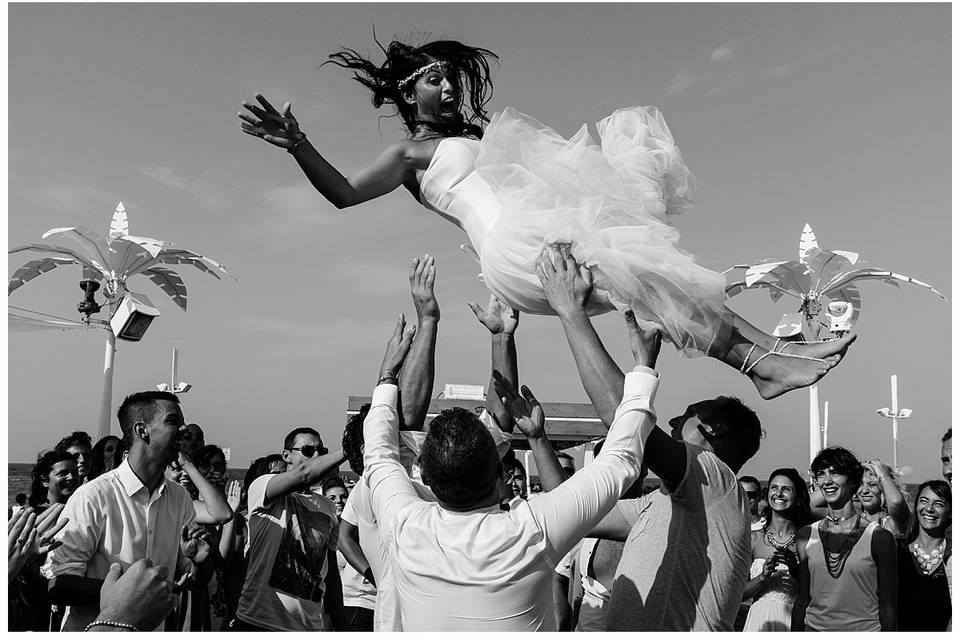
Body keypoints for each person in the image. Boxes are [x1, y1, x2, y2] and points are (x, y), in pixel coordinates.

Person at [240, 37, 855, 400]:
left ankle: (767, 357)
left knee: (653, 275)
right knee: (647, 272)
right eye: (432, 79)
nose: (449, 85)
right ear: (407, 94)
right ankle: (764, 362)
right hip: (515, 246)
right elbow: (345, 193)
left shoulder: (479, 137)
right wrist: (298, 144)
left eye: (450, 76)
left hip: (542, 225)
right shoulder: (410, 154)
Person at [361, 295, 662, 630]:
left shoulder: (403, 524)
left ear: (424, 476)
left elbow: (378, 450)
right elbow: (621, 460)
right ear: (500, 470)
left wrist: (387, 373)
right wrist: (643, 367)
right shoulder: (531, 528)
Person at [526, 246, 756, 631]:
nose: (672, 419)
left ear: (712, 430)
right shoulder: (661, 502)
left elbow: (625, 421)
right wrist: (536, 439)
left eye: (686, 416)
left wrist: (572, 312)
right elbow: (569, 502)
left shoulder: (716, 482)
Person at [42, 390, 213, 631]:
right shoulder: (93, 496)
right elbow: (58, 585)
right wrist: (129, 592)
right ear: (142, 430)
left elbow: (194, 578)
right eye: (173, 421)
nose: (184, 429)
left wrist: (199, 563)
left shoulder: (179, 497)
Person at [233, 427, 346, 631]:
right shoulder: (263, 486)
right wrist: (346, 450)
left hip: (307, 627)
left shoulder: (327, 507)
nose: (317, 456)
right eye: (308, 450)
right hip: (258, 621)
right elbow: (304, 475)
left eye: (322, 451)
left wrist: (341, 625)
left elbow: (330, 576)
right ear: (287, 455)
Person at [792, 446, 897, 631]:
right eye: (821, 474)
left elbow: (888, 605)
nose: (827, 481)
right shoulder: (805, 535)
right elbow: (802, 599)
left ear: (853, 481)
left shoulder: (879, 538)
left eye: (835, 473)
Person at [741, 468, 813, 632]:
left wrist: (796, 571)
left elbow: (818, 594)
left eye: (786, 489)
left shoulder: (809, 539)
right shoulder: (753, 539)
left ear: (798, 498)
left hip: (795, 620)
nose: (779, 493)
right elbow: (737, 596)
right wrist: (762, 577)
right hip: (759, 621)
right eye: (774, 487)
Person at [896, 479, 951, 631]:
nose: (929, 509)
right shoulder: (897, 550)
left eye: (938, 504)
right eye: (924, 501)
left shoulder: (952, 556)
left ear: (951, 511)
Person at [324, 476, 376, 632]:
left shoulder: (360, 529)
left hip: (362, 600)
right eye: (332, 498)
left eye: (343, 496)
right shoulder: (325, 531)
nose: (339, 501)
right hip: (342, 602)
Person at [857, 458, 910, 537]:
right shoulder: (855, 520)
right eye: (860, 484)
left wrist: (883, 475)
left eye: (872, 484)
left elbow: (896, 502)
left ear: (884, 488)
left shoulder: (895, 522)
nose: (864, 491)